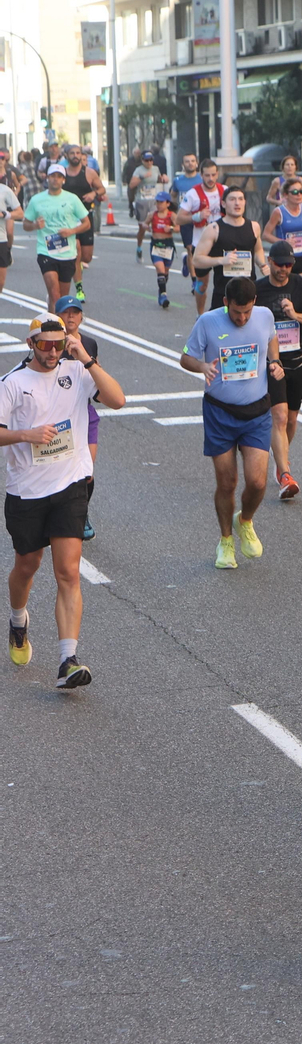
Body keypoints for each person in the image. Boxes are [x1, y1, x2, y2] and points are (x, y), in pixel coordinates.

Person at [0, 312, 125, 688]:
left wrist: (85, 357)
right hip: (26, 491)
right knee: (27, 565)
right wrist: (27, 434)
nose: (52, 351)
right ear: (31, 344)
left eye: (58, 344)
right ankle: (18, 619)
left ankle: (67, 660)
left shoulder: (78, 371)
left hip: (70, 485)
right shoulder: (13, 383)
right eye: (45, 345)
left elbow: (117, 399)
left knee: (68, 572)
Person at [179, 276, 284, 569]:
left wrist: (274, 362)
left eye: (247, 312)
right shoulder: (207, 322)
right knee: (227, 482)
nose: (242, 318)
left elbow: (272, 337)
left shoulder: (264, 316)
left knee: (258, 481)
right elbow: (185, 358)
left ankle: (245, 520)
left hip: (257, 411)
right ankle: (225, 541)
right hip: (220, 412)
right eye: (237, 312)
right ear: (226, 303)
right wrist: (202, 366)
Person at [256, 240, 302, 500]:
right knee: (280, 417)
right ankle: (285, 474)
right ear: (270, 263)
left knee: (292, 419)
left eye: (288, 265)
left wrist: (297, 315)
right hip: (271, 363)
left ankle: (280, 458)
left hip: (297, 361)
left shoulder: (301, 285)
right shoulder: (259, 289)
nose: (284, 269)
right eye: (279, 264)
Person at [52, 297, 104, 541]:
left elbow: (97, 377)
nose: (71, 317)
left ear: (82, 317)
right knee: (61, 468)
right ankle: (57, 512)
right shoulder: (50, 344)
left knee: (87, 472)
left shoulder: (90, 343)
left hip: (86, 413)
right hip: (60, 415)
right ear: (57, 315)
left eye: (76, 312)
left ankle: (81, 513)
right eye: (66, 312)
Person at [21, 164, 90, 305]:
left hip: (67, 253)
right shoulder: (37, 200)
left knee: (62, 299)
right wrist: (35, 225)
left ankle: (56, 319)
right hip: (46, 252)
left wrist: (71, 231)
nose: (55, 180)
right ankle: (54, 326)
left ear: (63, 180)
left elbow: (86, 224)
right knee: (54, 294)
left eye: (59, 177)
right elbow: (25, 224)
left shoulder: (72, 199)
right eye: (52, 176)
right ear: (47, 178)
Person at [194, 186, 267, 313]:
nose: (237, 203)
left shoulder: (254, 227)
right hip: (224, 293)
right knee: (222, 332)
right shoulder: (214, 229)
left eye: (240, 199)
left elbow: (258, 250)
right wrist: (221, 260)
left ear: (245, 202)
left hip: (249, 292)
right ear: (223, 203)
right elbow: (197, 260)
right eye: (232, 199)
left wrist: (262, 264)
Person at [59, 145, 105, 304]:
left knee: (86, 256)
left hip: (84, 217)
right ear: (67, 155)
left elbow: (102, 189)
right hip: (68, 219)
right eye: (72, 153)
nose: (75, 156)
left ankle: (78, 269)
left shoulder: (89, 173)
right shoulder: (62, 173)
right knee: (77, 252)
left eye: (78, 153)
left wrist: (93, 193)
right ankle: (79, 288)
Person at [176, 158, 224, 312]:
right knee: (202, 284)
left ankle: (221, 315)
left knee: (224, 283)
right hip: (201, 244)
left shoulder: (225, 191)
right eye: (207, 175)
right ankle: (200, 314)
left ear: (217, 175)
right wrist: (196, 217)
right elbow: (179, 218)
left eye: (213, 175)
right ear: (201, 176)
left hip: (222, 242)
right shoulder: (193, 194)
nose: (210, 179)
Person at [261, 175, 302, 279]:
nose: (299, 195)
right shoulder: (279, 212)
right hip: (285, 259)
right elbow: (265, 235)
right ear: (286, 195)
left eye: (301, 191)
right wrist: (283, 242)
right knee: (288, 292)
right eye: (294, 192)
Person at [127, 151, 168, 262]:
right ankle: (139, 248)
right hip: (142, 201)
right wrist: (142, 177)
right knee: (142, 228)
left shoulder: (155, 169)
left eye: (151, 160)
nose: (149, 162)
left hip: (154, 202)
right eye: (146, 160)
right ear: (142, 160)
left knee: (157, 224)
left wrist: (163, 178)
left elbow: (159, 179)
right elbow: (131, 185)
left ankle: (159, 252)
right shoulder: (138, 170)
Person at [145, 191, 177, 308]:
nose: (158, 204)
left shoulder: (172, 215)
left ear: (168, 203)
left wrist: (171, 228)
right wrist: (146, 227)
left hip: (168, 246)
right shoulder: (152, 215)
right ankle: (163, 295)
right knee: (160, 268)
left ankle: (161, 289)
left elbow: (179, 227)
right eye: (157, 202)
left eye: (161, 202)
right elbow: (144, 224)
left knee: (165, 272)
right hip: (156, 246)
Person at [0, 163, 20, 295]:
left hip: (0, 239)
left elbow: (20, 213)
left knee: (0, 282)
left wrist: (5, 214)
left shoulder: (5, 190)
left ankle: (8, 251)